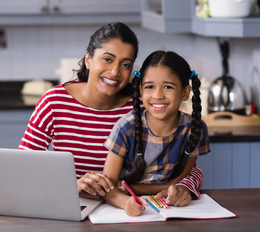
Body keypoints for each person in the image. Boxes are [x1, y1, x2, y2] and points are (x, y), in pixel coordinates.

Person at [19, 23, 204, 205]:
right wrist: (72, 186)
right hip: (71, 204)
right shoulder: (54, 101)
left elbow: (188, 168)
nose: (115, 72)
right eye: (107, 59)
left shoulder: (142, 106)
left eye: (125, 64)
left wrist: (183, 187)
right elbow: (24, 168)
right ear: (88, 59)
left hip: (131, 208)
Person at [102, 50, 210, 216]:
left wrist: (136, 188)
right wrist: (126, 203)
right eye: (150, 87)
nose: (157, 95)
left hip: (169, 207)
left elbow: (178, 180)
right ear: (141, 90)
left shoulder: (195, 128)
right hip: (129, 206)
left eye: (168, 87)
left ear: (185, 93)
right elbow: (108, 188)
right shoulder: (125, 128)